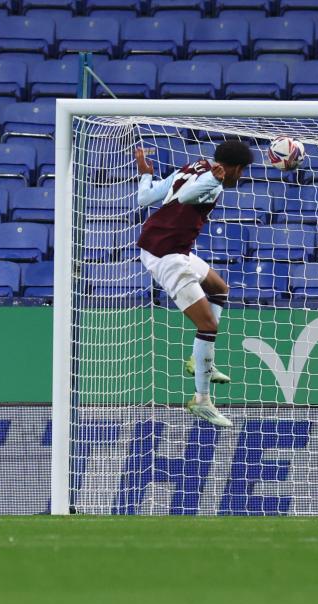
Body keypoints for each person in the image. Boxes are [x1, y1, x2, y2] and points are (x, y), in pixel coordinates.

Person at [134, 142, 253, 427]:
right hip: (167, 256)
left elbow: (144, 198)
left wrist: (144, 173)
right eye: (243, 171)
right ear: (235, 168)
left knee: (219, 288)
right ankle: (202, 399)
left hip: (170, 247)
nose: (242, 176)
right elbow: (187, 197)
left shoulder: (191, 167)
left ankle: (199, 362)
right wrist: (215, 179)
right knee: (208, 326)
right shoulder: (213, 179)